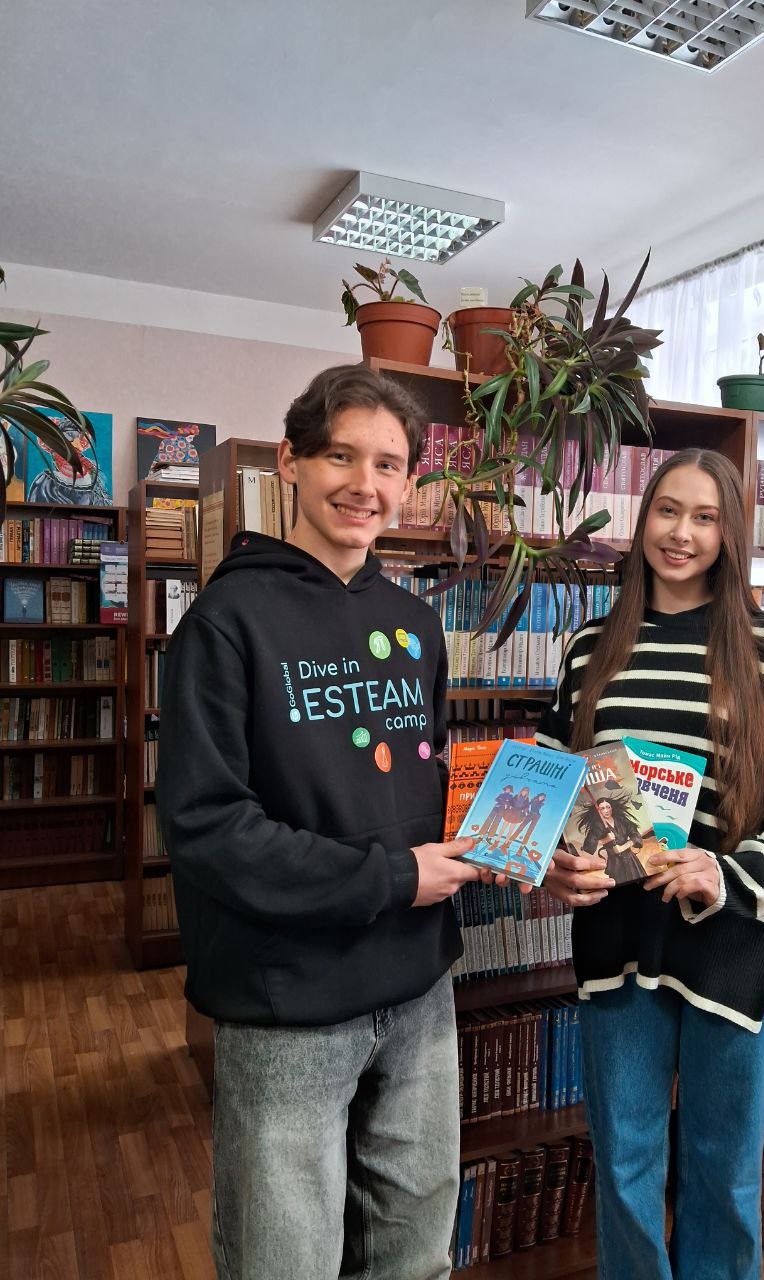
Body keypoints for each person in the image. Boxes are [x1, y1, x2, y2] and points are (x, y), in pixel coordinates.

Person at [156, 364, 480, 1280]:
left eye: (388, 464)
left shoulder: (416, 625)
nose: (364, 484)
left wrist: (500, 830)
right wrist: (394, 877)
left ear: (409, 481)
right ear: (291, 461)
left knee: (415, 1255)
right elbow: (208, 828)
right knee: (284, 1262)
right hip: (287, 1003)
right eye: (341, 455)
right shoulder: (225, 623)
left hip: (419, 987)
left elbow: (425, 788)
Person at [536, 447, 764, 1280]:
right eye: (667, 511)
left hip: (733, 946)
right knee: (625, 1164)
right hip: (618, 940)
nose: (681, 533)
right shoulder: (590, 648)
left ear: (729, 533)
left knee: (722, 1172)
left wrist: (731, 874)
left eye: (705, 517)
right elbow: (546, 775)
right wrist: (549, 859)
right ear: (644, 520)